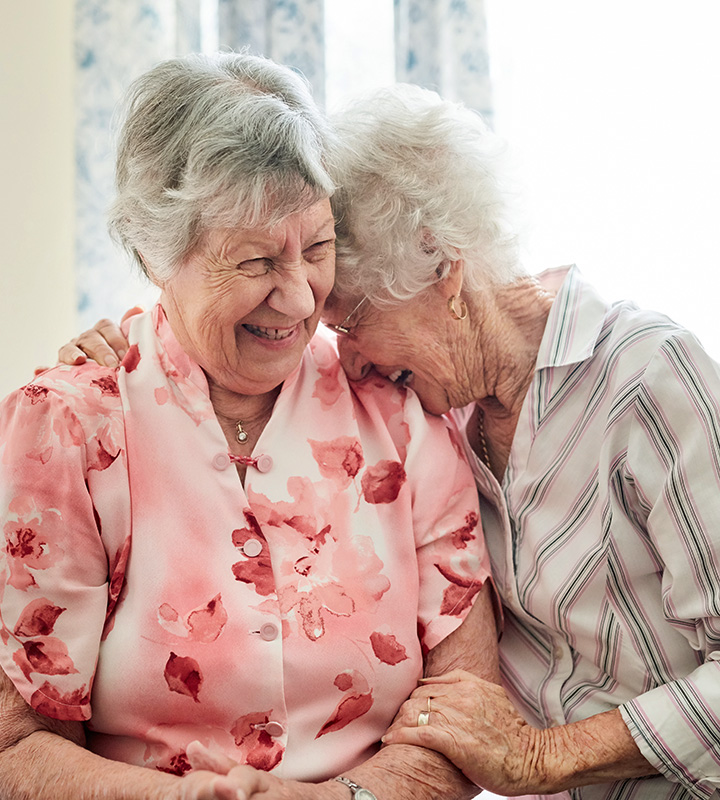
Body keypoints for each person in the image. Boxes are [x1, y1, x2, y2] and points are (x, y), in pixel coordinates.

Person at [69, 82, 720, 800]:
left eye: (350, 324)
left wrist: (543, 757)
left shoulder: (648, 377)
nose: (346, 363)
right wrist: (130, 350)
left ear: (443, 270)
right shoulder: (436, 415)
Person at [0, 55, 498, 800]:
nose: (300, 297)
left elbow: (468, 713)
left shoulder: (398, 415)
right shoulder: (63, 433)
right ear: (157, 253)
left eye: (317, 248)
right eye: (255, 261)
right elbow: (10, 749)